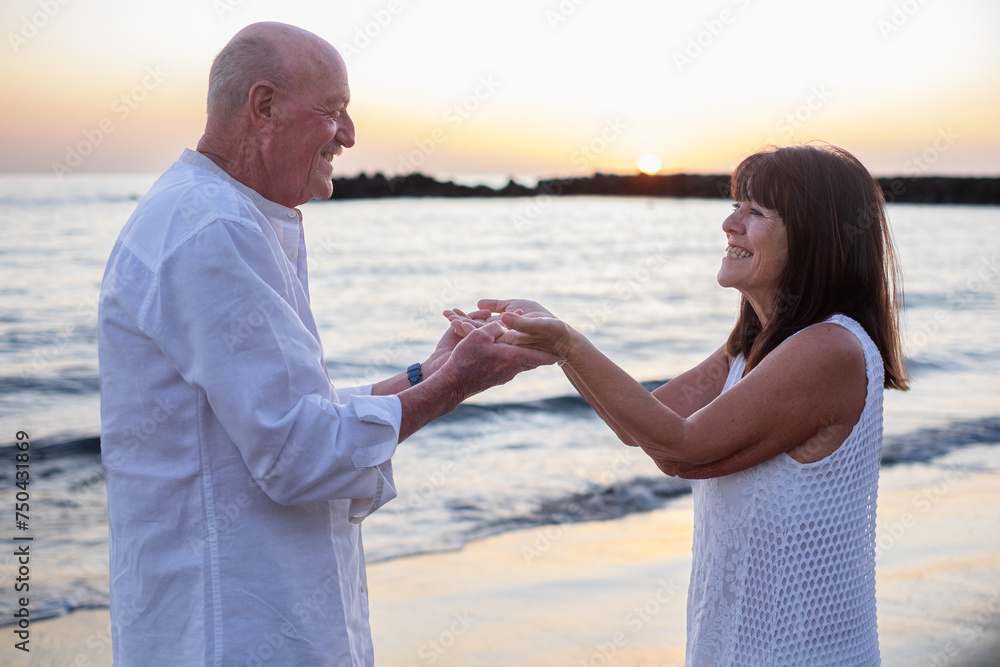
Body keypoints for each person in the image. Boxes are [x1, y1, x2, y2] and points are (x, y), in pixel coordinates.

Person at [97, 22, 553, 666]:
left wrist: (431, 369)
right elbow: (298, 453)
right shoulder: (214, 227)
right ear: (264, 107)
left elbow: (283, 415)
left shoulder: (222, 214)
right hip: (232, 629)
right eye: (334, 112)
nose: (350, 136)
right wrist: (455, 386)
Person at [448, 143, 908, 665]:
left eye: (755, 211)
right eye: (736, 205)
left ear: (813, 236)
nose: (729, 223)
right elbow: (644, 423)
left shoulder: (828, 348)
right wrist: (551, 342)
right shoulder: (759, 341)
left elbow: (681, 450)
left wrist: (569, 344)